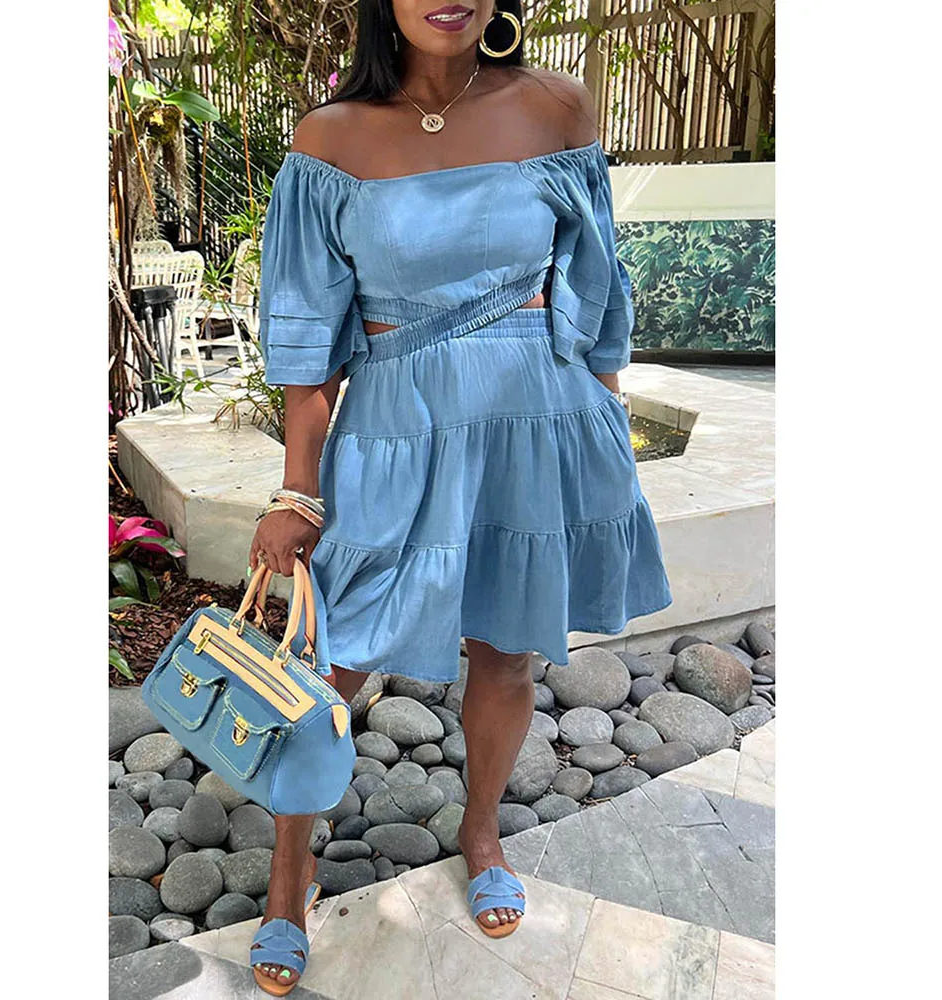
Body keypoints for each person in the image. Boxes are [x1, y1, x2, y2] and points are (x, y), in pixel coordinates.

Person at [248, 1, 673, 993]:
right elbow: (305, 338)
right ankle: (287, 876)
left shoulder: (556, 107)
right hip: (395, 431)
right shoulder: (331, 138)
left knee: (506, 647)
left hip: (539, 419)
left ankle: (481, 834)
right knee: (331, 665)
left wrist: (606, 425)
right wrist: (297, 491)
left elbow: (597, 286)